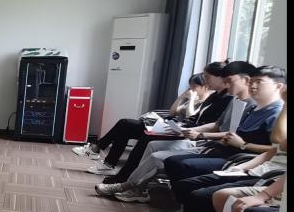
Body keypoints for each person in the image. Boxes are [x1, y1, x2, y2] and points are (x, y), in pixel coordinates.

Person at [98, 60, 253, 201]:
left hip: (205, 142)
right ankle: (129, 181)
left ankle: (127, 184)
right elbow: (215, 124)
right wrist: (189, 128)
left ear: (245, 80)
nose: (206, 81)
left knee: (148, 142)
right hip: (195, 134)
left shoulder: (238, 102)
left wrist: (198, 133)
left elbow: (228, 132)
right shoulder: (231, 100)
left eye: (228, 80)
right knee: (142, 136)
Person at [162, 65, 285, 212]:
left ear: (279, 87)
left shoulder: (277, 113)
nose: (253, 86)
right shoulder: (250, 107)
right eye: (252, 81)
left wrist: (242, 145)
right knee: (177, 167)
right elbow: (270, 148)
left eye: (259, 82)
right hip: (235, 155)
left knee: (191, 180)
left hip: (244, 157)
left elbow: (274, 146)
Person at [77, 72, 216, 177]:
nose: (191, 89)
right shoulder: (192, 99)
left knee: (126, 125)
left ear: (205, 87)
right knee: (124, 126)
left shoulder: (205, 103)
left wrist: (191, 100)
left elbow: (191, 117)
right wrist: (181, 97)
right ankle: (107, 162)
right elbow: (173, 112)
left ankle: (100, 151)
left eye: (194, 87)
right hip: (169, 126)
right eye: (190, 86)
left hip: (180, 133)